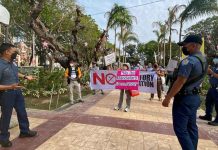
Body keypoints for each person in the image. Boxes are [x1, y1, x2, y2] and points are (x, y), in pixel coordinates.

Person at [162, 35, 207, 150]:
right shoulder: (204, 60)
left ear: (193, 45)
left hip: (184, 99)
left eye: (185, 45)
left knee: (180, 129)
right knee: (191, 127)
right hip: (194, 98)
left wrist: (168, 98)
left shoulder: (189, 61)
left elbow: (180, 81)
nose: (184, 48)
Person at [0, 43, 37, 147]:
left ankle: (24, 131)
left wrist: (25, 76)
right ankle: (3, 138)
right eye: (14, 51)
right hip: (6, 94)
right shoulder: (0, 65)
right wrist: (9, 87)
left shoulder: (12, 63)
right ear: (6, 52)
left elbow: (15, 73)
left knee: (22, 112)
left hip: (17, 92)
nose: (16, 53)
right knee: (6, 116)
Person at [199, 58, 218, 126]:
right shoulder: (215, 66)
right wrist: (209, 72)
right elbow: (212, 75)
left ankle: (217, 120)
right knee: (208, 102)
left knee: (217, 104)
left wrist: (212, 72)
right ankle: (208, 115)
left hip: (217, 88)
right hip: (212, 87)